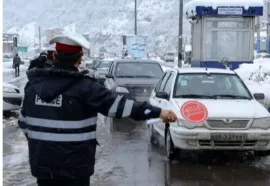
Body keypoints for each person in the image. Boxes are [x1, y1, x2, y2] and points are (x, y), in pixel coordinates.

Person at [18, 32, 177, 186]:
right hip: (75, 171)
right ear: (79, 59)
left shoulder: (33, 87)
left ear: (54, 56)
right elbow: (123, 107)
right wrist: (157, 112)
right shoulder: (86, 88)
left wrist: (45, 146)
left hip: (43, 168)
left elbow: (24, 122)